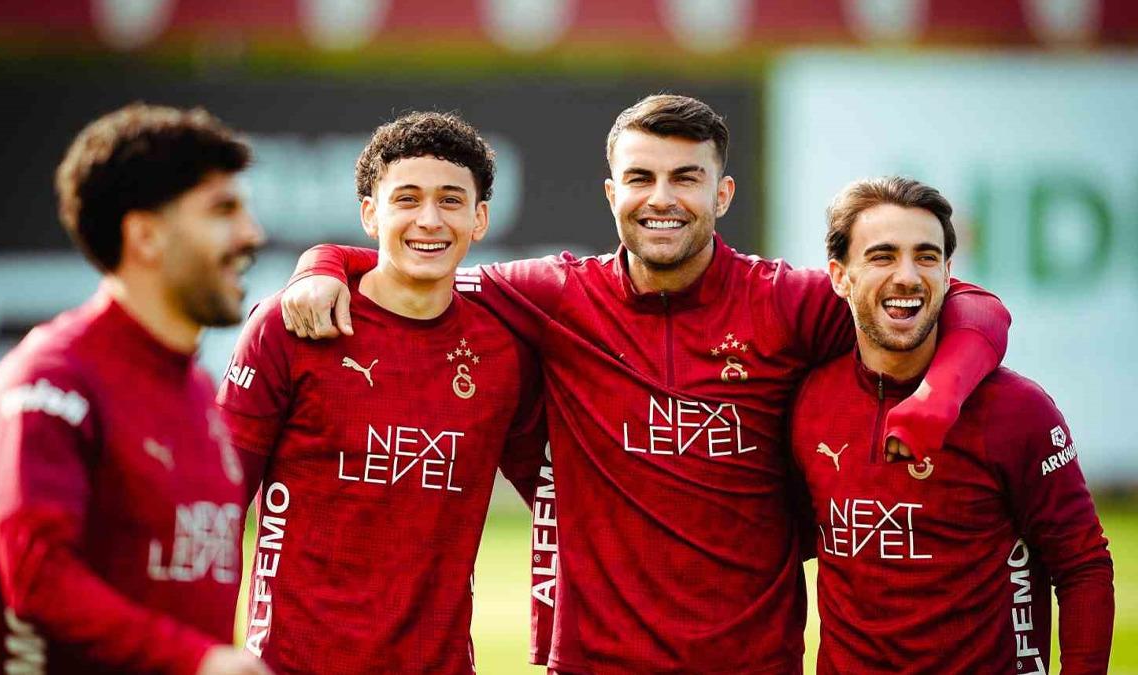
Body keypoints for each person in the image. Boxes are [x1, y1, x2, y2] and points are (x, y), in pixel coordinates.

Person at [280, 95, 1012, 673]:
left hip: (753, 664)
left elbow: (972, 306)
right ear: (611, 193)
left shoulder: (786, 301)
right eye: (641, 178)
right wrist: (325, 262)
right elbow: (415, 270)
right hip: (594, 663)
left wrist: (937, 398)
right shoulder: (555, 294)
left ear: (723, 193)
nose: (662, 198)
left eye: (685, 178)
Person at [216, 111, 548, 673]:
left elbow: (562, 494)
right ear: (370, 213)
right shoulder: (291, 326)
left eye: (450, 200)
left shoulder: (503, 351)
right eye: (407, 199)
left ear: (480, 219)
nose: (429, 220)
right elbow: (217, 506)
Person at [0, 104, 271, 674]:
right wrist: (197, 662)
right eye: (223, 210)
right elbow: (38, 579)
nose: (250, 234)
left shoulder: (198, 390)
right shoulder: (50, 381)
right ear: (145, 236)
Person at [790, 176, 1113, 673]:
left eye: (925, 257)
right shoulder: (809, 400)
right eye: (882, 256)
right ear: (839, 277)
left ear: (947, 275)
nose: (906, 276)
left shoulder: (1017, 410)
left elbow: (1083, 566)